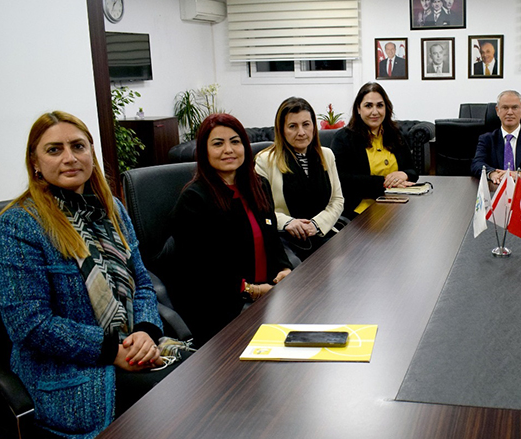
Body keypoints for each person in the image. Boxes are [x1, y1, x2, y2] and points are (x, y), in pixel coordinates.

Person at [0, 111, 166, 438]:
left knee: (197, 382)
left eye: (78, 146)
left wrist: (144, 332)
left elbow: (141, 282)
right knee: (171, 402)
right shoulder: (17, 226)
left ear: (91, 154)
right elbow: (30, 324)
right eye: (54, 149)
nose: (69, 158)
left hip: (133, 348)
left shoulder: (111, 208)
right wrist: (112, 350)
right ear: (35, 162)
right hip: (66, 373)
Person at [166, 113, 292, 347]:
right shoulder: (194, 200)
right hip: (222, 309)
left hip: (267, 297)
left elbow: (271, 238)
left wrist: (284, 268)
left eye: (235, 141)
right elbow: (203, 271)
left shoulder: (259, 185)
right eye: (218, 144)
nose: (228, 150)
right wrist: (254, 291)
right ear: (204, 151)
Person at [255, 97, 344, 261]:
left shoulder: (327, 155)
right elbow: (260, 208)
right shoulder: (265, 160)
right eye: (292, 126)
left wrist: (316, 224)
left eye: (306, 124)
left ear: (314, 127)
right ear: (281, 130)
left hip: (322, 232)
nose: (301, 132)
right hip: (286, 239)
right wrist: (287, 222)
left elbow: (337, 200)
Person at [331, 82, 419, 218]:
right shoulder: (344, 138)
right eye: (368, 106)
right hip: (361, 212)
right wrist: (384, 183)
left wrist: (404, 175)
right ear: (358, 109)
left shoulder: (395, 134)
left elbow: (413, 170)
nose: (375, 112)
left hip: (399, 208)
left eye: (380, 105)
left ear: (386, 108)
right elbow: (343, 180)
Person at [471, 90, 521, 183]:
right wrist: (492, 174)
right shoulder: (487, 139)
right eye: (505, 108)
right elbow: (477, 164)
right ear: (497, 110)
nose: (510, 112)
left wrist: (519, 174)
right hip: (495, 186)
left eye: (514, 107)